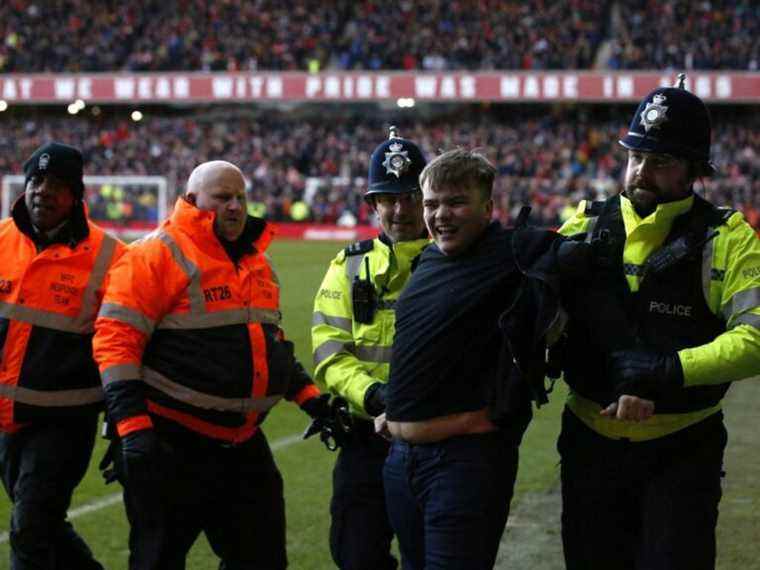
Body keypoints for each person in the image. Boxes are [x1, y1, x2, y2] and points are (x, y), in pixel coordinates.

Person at [557, 77, 760, 570]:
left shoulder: (729, 239)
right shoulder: (583, 225)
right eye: (636, 157)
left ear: (692, 170)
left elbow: (755, 337)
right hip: (589, 447)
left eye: (660, 161)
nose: (642, 171)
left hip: (683, 452)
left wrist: (670, 369)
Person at [93, 160, 330, 570]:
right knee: (158, 560)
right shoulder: (154, 254)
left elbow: (268, 343)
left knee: (263, 560)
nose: (235, 206)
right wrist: (132, 429)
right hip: (172, 445)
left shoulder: (256, 260)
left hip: (243, 445)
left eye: (240, 197)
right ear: (192, 200)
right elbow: (116, 343)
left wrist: (311, 398)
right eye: (222, 197)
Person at [381, 148, 556, 569]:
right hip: (401, 461)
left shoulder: (517, 249)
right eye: (431, 203)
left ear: (488, 206)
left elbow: (587, 278)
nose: (441, 214)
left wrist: (508, 408)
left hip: (463, 463)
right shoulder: (427, 259)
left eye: (456, 202)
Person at [0, 142, 124, 570]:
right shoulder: (0, 240)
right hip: (8, 419)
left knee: (29, 529)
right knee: (44, 524)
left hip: (64, 422)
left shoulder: (111, 258)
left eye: (56, 184)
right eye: (36, 180)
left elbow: (126, 344)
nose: (42, 191)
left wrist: (123, 421)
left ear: (76, 196)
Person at [311, 127, 429, 570]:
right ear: (373, 204)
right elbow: (328, 352)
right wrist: (374, 396)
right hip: (364, 439)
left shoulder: (453, 261)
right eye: (388, 198)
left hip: (433, 442)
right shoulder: (348, 266)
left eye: (410, 197)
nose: (399, 210)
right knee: (356, 556)